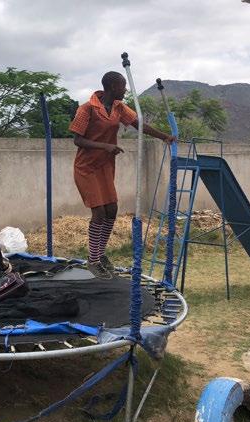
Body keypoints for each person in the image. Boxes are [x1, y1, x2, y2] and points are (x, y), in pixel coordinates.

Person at [69, 71, 175, 278]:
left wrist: (165, 137)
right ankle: (93, 260)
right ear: (111, 87)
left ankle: (100, 254)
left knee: (112, 209)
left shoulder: (118, 108)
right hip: (86, 168)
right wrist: (105, 146)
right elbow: (77, 140)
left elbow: (139, 124)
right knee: (98, 212)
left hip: (105, 167)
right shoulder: (87, 108)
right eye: (122, 86)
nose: (125, 90)